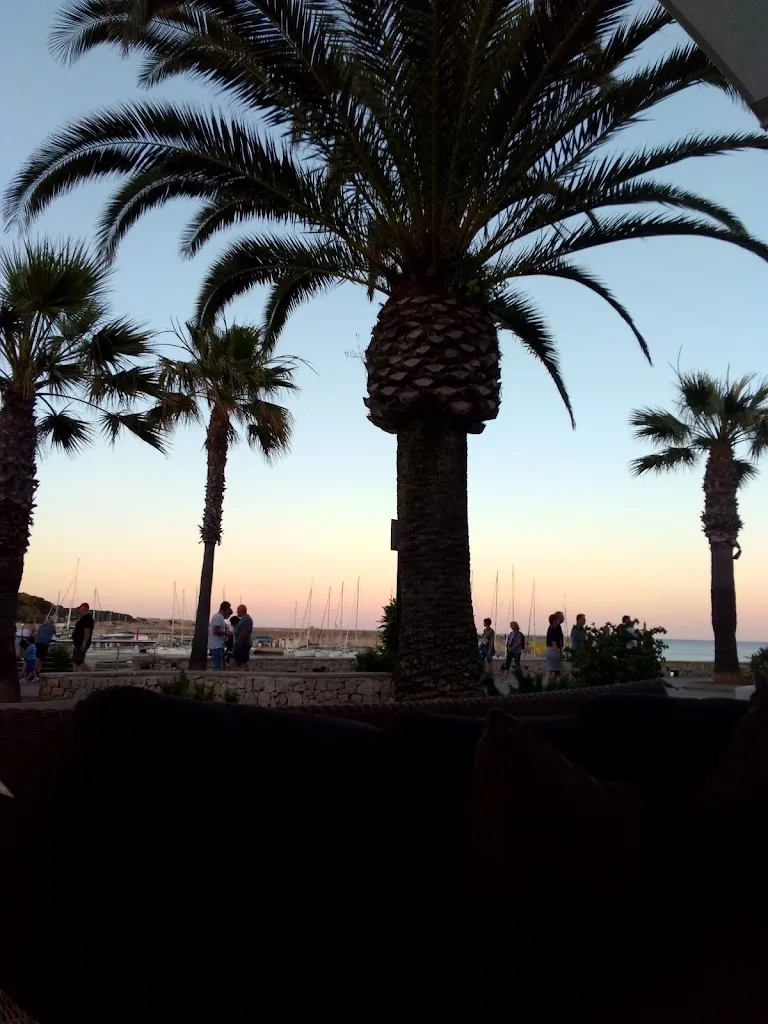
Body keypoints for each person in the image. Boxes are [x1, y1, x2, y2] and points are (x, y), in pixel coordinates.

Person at [208, 601, 232, 671]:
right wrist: (226, 633)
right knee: (218, 669)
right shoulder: (218, 617)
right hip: (216, 647)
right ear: (226, 608)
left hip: (219, 646)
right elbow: (215, 631)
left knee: (221, 667)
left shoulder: (219, 617)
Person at [72, 602, 94, 670]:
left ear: (84, 609)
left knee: (78, 661)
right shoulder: (84, 618)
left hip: (81, 644)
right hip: (79, 643)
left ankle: (91, 672)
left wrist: (84, 644)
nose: (79, 611)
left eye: (80, 609)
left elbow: (87, 632)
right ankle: (76, 675)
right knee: (76, 661)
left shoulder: (87, 619)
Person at [545, 611, 565, 685]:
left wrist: (560, 651)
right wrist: (558, 654)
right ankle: (549, 684)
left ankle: (551, 685)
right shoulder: (552, 629)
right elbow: (554, 642)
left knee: (556, 671)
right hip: (553, 651)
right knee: (553, 670)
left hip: (554, 650)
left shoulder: (558, 627)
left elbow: (559, 641)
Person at [232, 604, 254, 669]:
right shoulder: (243, 619)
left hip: (243, 644)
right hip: (241, 644)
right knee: (242, 662)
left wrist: (237, 642)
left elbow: (244, 633)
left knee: (234, 661)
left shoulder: (246, 620)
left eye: (238, 610)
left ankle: (243, 675)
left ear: (242, 611)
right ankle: (244, 674)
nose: (237, 612)